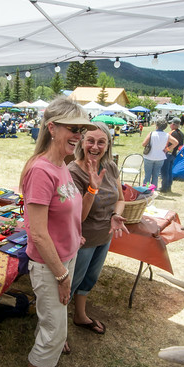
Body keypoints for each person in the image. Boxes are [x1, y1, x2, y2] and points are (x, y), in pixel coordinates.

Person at [16, 97, 94, 367]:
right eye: (74, 129)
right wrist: (61, 275)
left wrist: (75, 236)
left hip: (66, 258)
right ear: (52, 127)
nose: (79, 136)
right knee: (56, 328)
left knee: (51, 321)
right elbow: (36, 232)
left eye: (82, 130)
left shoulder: (61, 165)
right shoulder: (41, 171)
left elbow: (64, 213)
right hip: (51, 266)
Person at [67, 122, 128, 340]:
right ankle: (58, 331)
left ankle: (80, 315)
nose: (95, 146)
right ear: (82, 142)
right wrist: (92, 188)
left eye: (101, 141)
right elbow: (78, 216)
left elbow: (120, 199)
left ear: (108, 144)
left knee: (89, 278)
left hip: (106, 234)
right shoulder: (72, 172)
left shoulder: (110, 166)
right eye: (90, 140)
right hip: (82, 239)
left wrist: (114, 215)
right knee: (70, 283)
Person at [141, 119, 169, 188]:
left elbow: (144, 144)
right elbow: (175, 142)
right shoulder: (167, 135)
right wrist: (167, 149)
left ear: (157, 126)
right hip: (160, 157)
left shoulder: (152, 133)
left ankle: (146, 188)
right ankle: (153, 189)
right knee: (155, 175)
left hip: (149, 156)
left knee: (148, 175)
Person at [160, 117, 183, 194]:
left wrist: (167, 149)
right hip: (174, 154)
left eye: (170, 123)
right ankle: (169, 186)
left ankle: (164, 188)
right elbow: (181, 145)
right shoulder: (181, 133)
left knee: (164, 172)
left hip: (168, 154)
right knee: (170, 171)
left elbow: (166, 143)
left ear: (173, 124)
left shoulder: (171, 133)